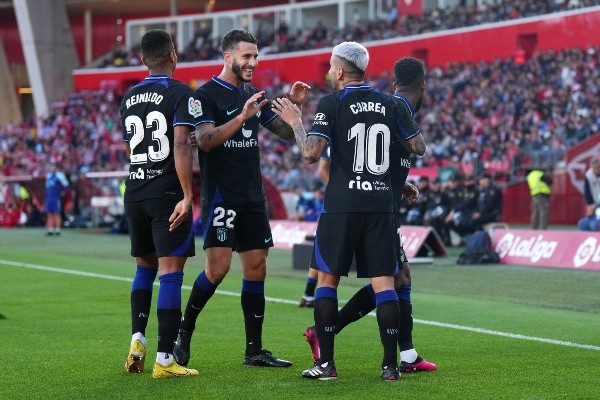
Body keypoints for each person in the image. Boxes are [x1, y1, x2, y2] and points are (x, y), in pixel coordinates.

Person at [273, 44, 424, 381]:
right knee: (385, 283)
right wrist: (395, 180)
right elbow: (418, 146)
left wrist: (296, 121)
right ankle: (390, 367)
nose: (329, 72)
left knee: (327, 280)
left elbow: (311, 154)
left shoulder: (333, 102)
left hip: (342, 206)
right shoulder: (390, 103)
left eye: (330, 67)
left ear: (340, 72)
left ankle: (326, 365)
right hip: (381, 206)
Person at [174, 29, 310, 368]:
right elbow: (204, 141)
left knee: (257, 267)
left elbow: (281, 131)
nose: (253, 62)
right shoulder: (204, 96)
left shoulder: (252, 93)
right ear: (228, 56)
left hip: (251, 195)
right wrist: (241, 117)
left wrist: (293, 109)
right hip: (221, 196)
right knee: (217, 270)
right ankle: (183, 333)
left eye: (256, 56)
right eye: (247, 56)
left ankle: (254, 350)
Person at [120, 29, 198, 378]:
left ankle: (137, 338)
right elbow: (181, 145)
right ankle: (166, 360)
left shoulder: (129, 96)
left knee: (143, 268)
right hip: (166, 193)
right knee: (170, 274)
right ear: (173, 56)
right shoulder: (181, 93)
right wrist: (187, 194)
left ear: (141, 60)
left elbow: (129, 150)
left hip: (135, 190)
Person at [299, 152, 330, 308]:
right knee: (325, 256)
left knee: (321, 255)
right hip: (340, 209)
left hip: (335, 209)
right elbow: (321, 169)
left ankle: (309, 294)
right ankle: (312, 296)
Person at [44, 163, 69, 236]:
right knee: (49, 213)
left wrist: (63, 193)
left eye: (53, 167)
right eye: (51, 167)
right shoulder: (48, 176)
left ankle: (57, 229)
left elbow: (66, 185)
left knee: (56, 213)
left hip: (56, 197)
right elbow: (47, 187)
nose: (52, 168)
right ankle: (50, 229)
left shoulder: (59, 176)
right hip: (49, 197)